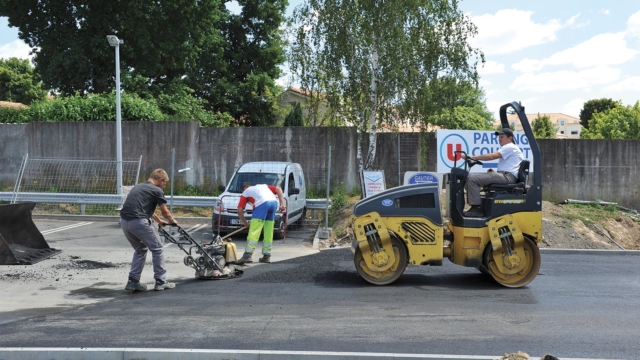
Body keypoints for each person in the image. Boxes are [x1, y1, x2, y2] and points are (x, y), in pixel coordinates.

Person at [120, 168, 178, 291]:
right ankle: (161, 281)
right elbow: (165, 211)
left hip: (125, 222)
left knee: (140, 249)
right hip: (139, 221)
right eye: (164, 183)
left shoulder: (138, 187)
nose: (164, 186)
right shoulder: (157, 190)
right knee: (157, 248)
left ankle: (133, 281)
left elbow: (142, 208)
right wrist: (172, 221)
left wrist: (159, 221)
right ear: (160, 180)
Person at [461, 128, 524, 217]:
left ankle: (477, 209)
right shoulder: (511, 148)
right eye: (499, 137)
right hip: (506, 176)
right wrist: (494, 173)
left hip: (507, 177)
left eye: (502, 137)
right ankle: (476, 204)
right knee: (471, 178)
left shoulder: (510, 146)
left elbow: (492, 156)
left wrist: (472, 157)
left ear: (510, 138)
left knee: (472, 179)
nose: (499, 139)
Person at [235, 183, 286, 264]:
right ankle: (266, 256)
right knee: (268, 230)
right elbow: (278, 189)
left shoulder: (245, 192)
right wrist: (282, 204)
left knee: (254, 231)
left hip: (262, 204)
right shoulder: (263, 186)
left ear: (244, 189)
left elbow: (239, 211)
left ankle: (247, 255)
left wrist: (245, 223)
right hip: (273, 203)